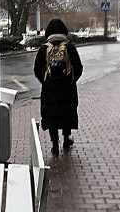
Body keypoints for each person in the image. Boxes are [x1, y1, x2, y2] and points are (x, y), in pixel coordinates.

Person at [33, 18, 83, 155]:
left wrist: (45, 81)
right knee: (66, 113)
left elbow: (37, 69)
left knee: (52, 115)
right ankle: (67, 139)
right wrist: (72, 80)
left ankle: (55, 144)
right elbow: (78, 67)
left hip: (50, 89)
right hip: (67, 88)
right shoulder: (70, 47)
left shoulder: (44, 48)